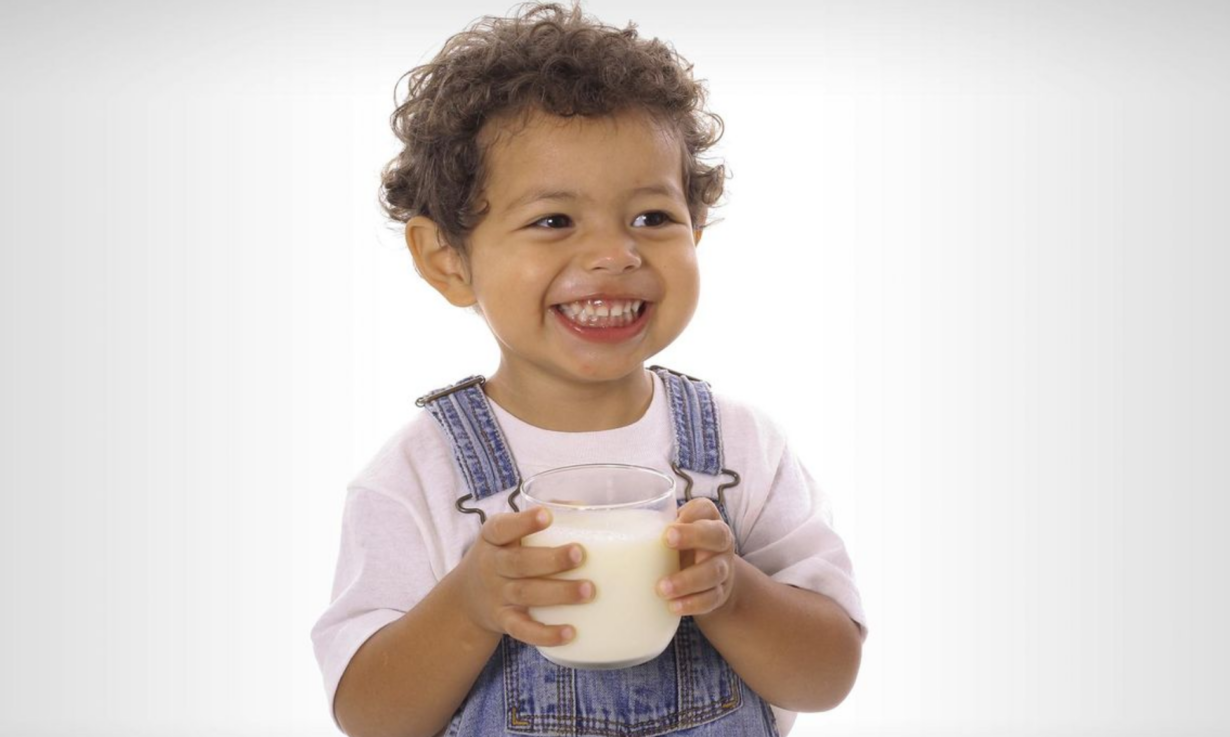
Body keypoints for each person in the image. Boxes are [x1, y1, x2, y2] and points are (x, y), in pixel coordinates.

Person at [311, 3, 866, 735]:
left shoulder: (739, 451)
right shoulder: (421, 474)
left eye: (651, 218)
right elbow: (369, 714)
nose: (614, 254)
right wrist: (470, 605)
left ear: (696, 227)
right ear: (447, 259)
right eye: (554, 220)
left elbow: (828, 676)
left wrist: (734, 594)